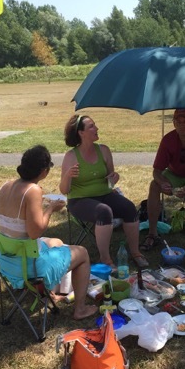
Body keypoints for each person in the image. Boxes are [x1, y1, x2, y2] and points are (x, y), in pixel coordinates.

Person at [0, 145, 98, 320]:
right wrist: (50, 209)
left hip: (5, 260)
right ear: (44, 171)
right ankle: (80, 309)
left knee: (56, 242)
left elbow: (19, 222)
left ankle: (50, 293)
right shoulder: (33, 190)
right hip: (27, 267)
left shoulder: (6, 185)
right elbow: (35, 232)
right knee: (82, 253)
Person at [60, 114, 149, 269]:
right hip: (79, 200)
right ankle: (106, 260)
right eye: (92, 126)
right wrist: (67, 176)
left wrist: (115, 177)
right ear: (81, 133)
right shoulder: (71, 156)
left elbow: (110, 180)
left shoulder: (104, 150)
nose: (97, 128)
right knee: (104, 211)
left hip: (105, 194)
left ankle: (136, 253)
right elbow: (64, 190)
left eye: (95, 125)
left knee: (129, 207)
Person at [140, 108, 185, 251]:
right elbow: (157, 171)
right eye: (178, 122)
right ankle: (152, 234)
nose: (182, 126)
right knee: (154, 185)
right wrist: (163, 182)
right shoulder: (168, 140)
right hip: (174, 174)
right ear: (173, 123)